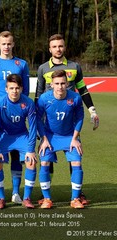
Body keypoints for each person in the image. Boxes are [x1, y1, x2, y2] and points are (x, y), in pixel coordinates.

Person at [35, 33, 99, 205]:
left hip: (70, 123)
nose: (58, 49)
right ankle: (46, 194)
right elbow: (39, 95)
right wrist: (37, 129)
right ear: (50, 49)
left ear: (64, 47)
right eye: (54, 46)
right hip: (50, 122)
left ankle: (77, 194)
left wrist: (92, 110)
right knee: (47, 160)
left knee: (74, 158)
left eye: (61, 46)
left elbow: (83, 90)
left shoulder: (74, 66)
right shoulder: (42, 69)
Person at [0, 31, 30, 205]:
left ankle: (16, 193)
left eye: (9, 43)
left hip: (16, 115)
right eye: (3, 43)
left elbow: (24, 90)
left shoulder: (21, 64)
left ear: (13, 44)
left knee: (16, 155)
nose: (6, 47)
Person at [37, 70, 85, 209]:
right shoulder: (44, 99)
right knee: (45, 162)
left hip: (70, 136)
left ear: (67, 83)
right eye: (57, 83)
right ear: (51, 84)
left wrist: (75, 138)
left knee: (77, 162)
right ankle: (46, 199)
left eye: (63, 83)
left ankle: (75, 199)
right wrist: (44, 139)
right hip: (50, 136)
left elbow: (80, 118)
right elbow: (38, 119)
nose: (60, 87)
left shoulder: (75, 98)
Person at [0, 74, 37, 209]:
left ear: (21, 88)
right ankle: (1, 198)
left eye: (17, 88)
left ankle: (26, 198)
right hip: (4, 135)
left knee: (31, 161)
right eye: (11, 88)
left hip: (22, 135)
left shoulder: (28, 103)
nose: (14, 91)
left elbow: (33, 128)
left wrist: (31, 149)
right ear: (6, 89)